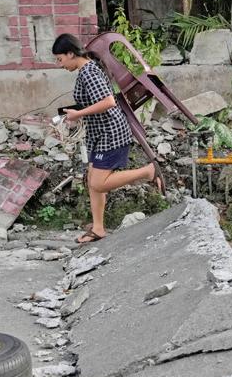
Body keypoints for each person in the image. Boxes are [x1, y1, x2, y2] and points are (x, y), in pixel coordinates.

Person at [52, 33, 165, 244]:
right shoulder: (87, 70)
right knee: (92, 181)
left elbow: (108, 102)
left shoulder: (89, 72)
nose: (60, 65)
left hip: (110, 133)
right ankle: (98, 228)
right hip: (98, 133)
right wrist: (73, 116)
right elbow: (95, 103)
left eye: (60, 59)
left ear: (71, 53)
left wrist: (78, 114)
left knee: (98, 183)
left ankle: (148, 172)